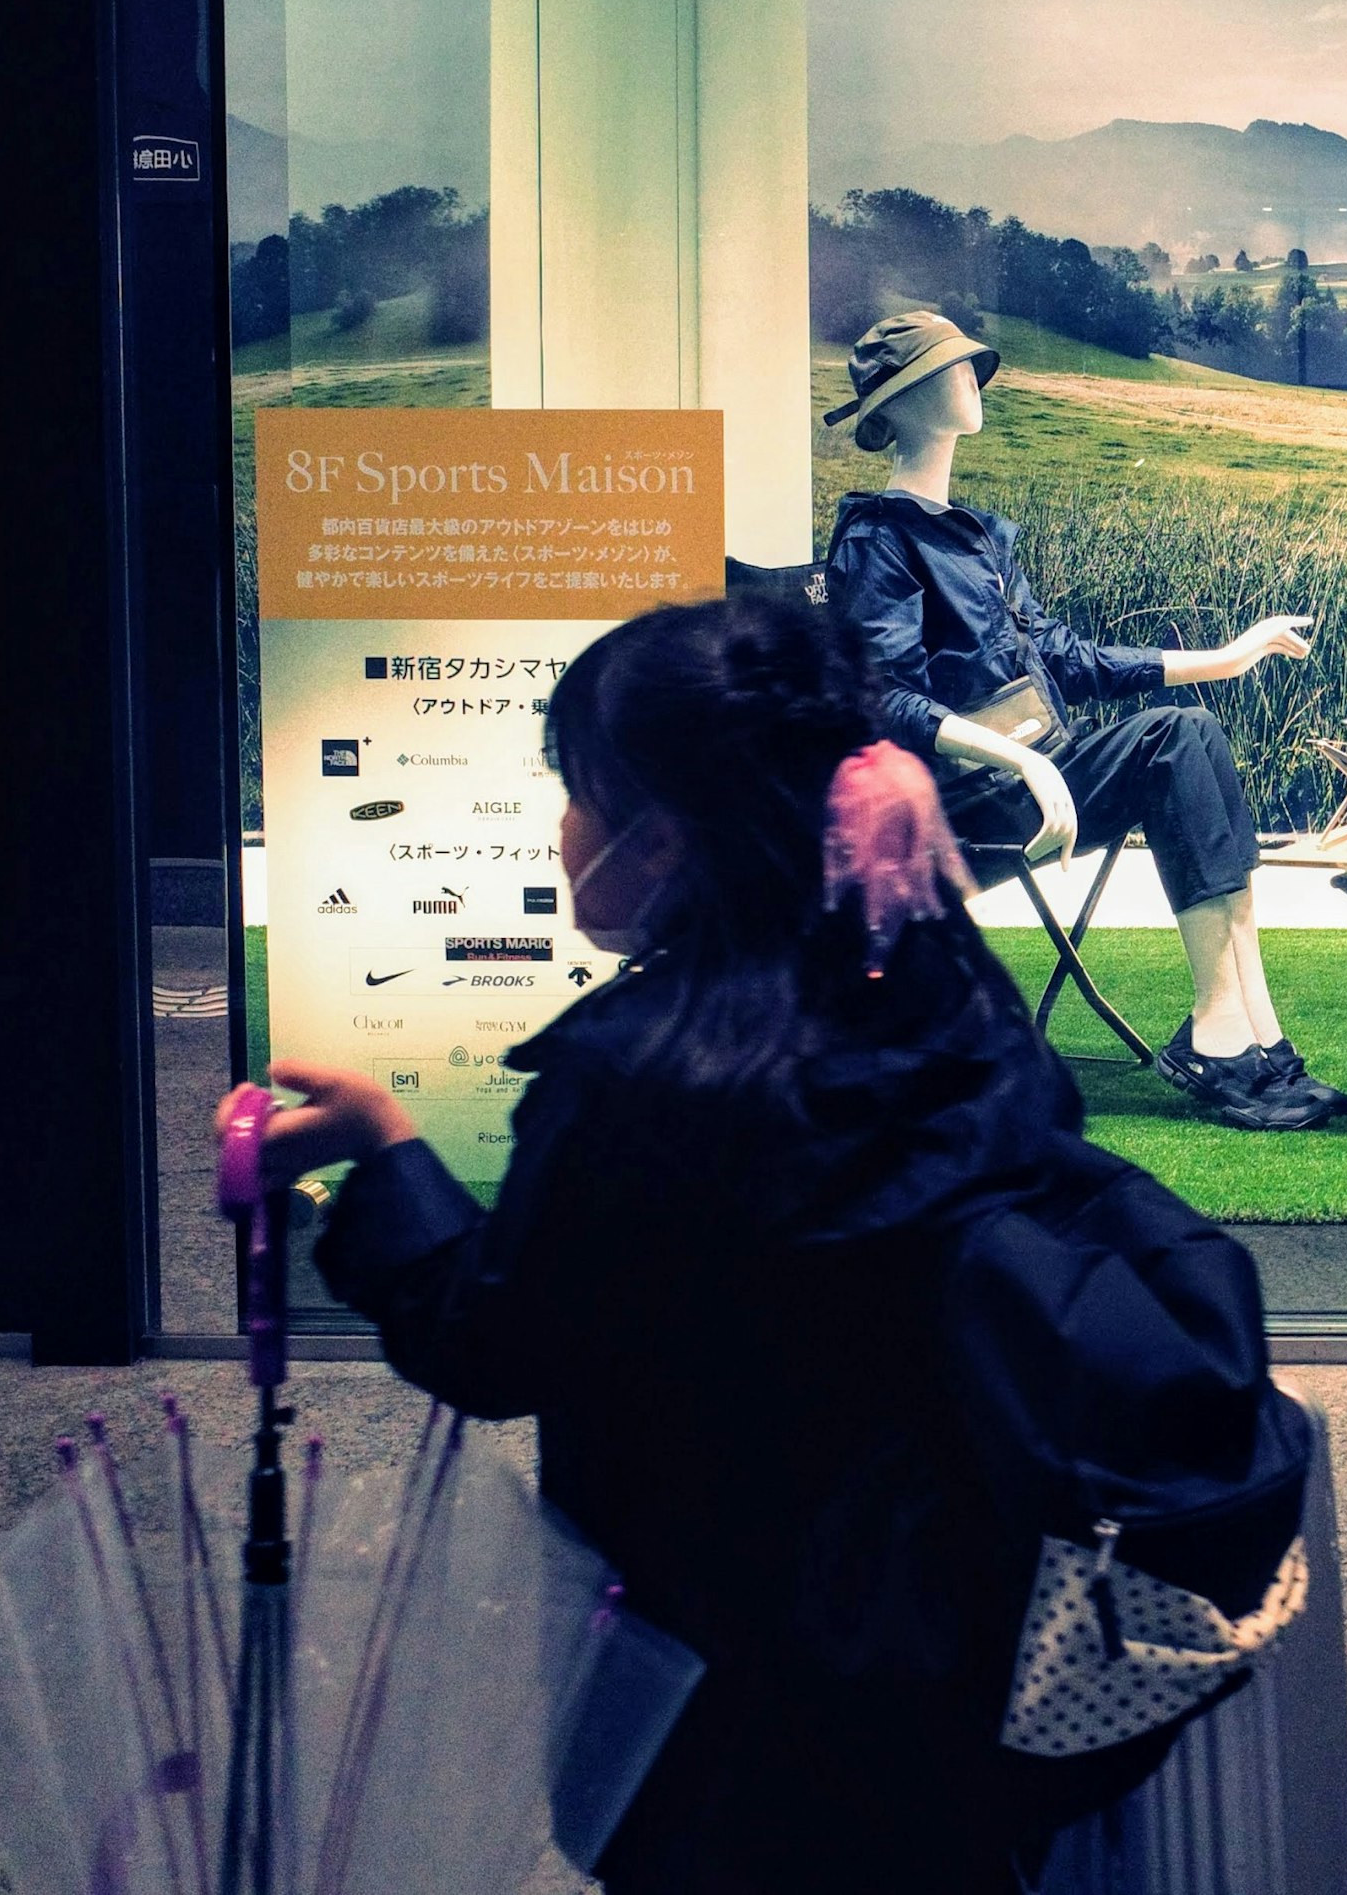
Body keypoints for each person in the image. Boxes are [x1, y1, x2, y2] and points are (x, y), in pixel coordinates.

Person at [250, 593, 1101, 1892]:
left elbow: (493, 1338)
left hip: (707, 1663)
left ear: (664, 837)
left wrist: (384, 1154)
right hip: (952, 1627)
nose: (562, 828)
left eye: (579, 793)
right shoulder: (955, 998)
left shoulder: (638, 1074)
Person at [821, 309, 1347, 1132]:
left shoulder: (978, 538)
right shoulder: (875, 538)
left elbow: (1067, 658)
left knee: (1192, 730)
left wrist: (1228, 656)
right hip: (962, 801)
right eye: (951, 365)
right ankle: (1217, 1035)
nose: (973, 374)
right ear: (906, 397)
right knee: (1175, 739)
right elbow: (884, 700)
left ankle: (1254, 1028)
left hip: (1038, 771)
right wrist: (1018, 759)